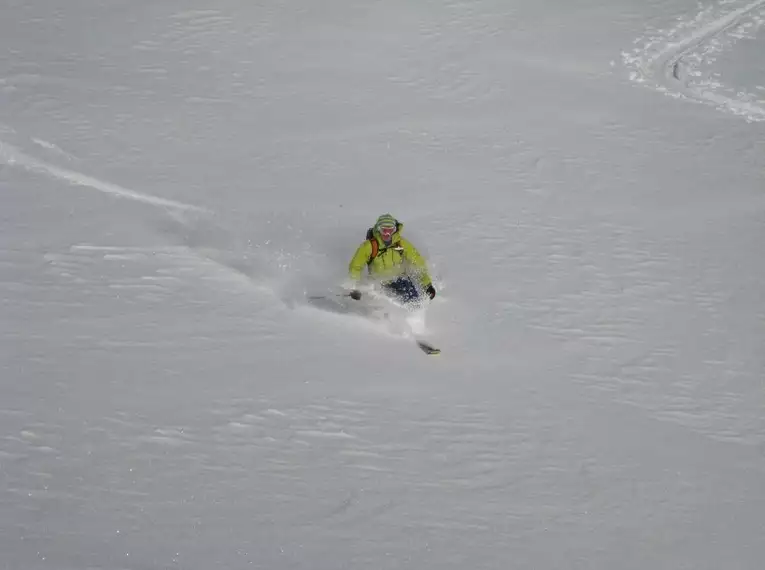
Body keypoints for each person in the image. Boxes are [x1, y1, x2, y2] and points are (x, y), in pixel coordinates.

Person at [347, 213, 436, 306]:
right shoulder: (369, 246)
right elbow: (355, 267)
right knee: (381, 307)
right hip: (379, 285)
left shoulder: (400, 244)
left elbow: (417, 262)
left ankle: (414, 318)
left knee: (415, 304)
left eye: (390, 230)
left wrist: (427, 285)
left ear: (394, 230)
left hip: (401, 280)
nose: (387, 234)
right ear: (378, 229)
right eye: (384, 230)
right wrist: (354, 288)